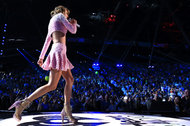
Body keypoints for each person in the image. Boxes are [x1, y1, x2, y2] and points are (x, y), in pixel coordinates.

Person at [8, 5, 77, 123]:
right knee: (52, 85)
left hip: (59, 50)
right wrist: (74, 23)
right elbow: (73, 30)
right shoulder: (60, 16)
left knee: (70, 79)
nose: (68, 15)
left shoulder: (53, 21)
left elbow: (47, 41)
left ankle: (66, 109)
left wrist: (41, 57)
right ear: (61, 11)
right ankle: (23, 104)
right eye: (67, 13)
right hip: (59, 50)